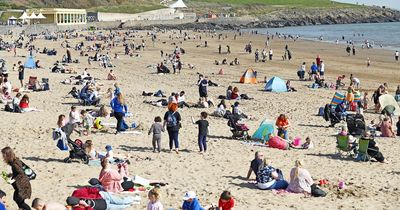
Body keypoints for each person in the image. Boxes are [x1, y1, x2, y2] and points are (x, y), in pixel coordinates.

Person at [66, 187, 134, 210]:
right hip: (105, 207)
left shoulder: (77, 193)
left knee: (121, 201)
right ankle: (131, 204)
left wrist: (98, 191)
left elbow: (88, 189)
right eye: (77, 204)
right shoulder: (77, 209)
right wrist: (86, 206)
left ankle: (133, 199)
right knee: (121, 207)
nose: (79, 202)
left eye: (78, 201)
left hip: (103, 197)